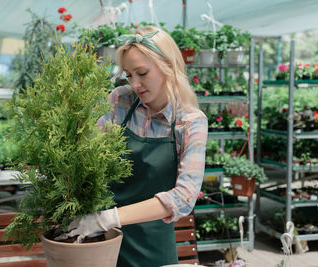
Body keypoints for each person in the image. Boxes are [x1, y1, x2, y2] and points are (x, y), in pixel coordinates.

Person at [57, 26, 208, 267]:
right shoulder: (120, 100)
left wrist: (110, 217)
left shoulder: (190, 122)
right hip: (101, 240)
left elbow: (184, 197)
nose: (135, 84)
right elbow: (91, 156)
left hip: (152, 248)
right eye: (129, 75)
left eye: (142, 73)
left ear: (168, 66)